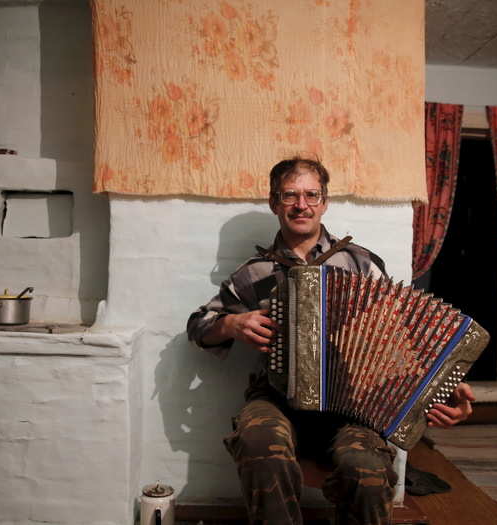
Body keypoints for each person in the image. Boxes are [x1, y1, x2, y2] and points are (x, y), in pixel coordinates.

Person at [187, 157, 474, 525]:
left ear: (324, 202)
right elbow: (199, 325)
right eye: (290, 195)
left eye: (311, 195)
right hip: (276, 398)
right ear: (275, 203)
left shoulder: (361, 264)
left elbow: (400, 341)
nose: (301, 205)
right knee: (257, 440)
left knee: (367, 468)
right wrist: (231, 324)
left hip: (351, 406)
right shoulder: (254, 272)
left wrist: (440, 390)